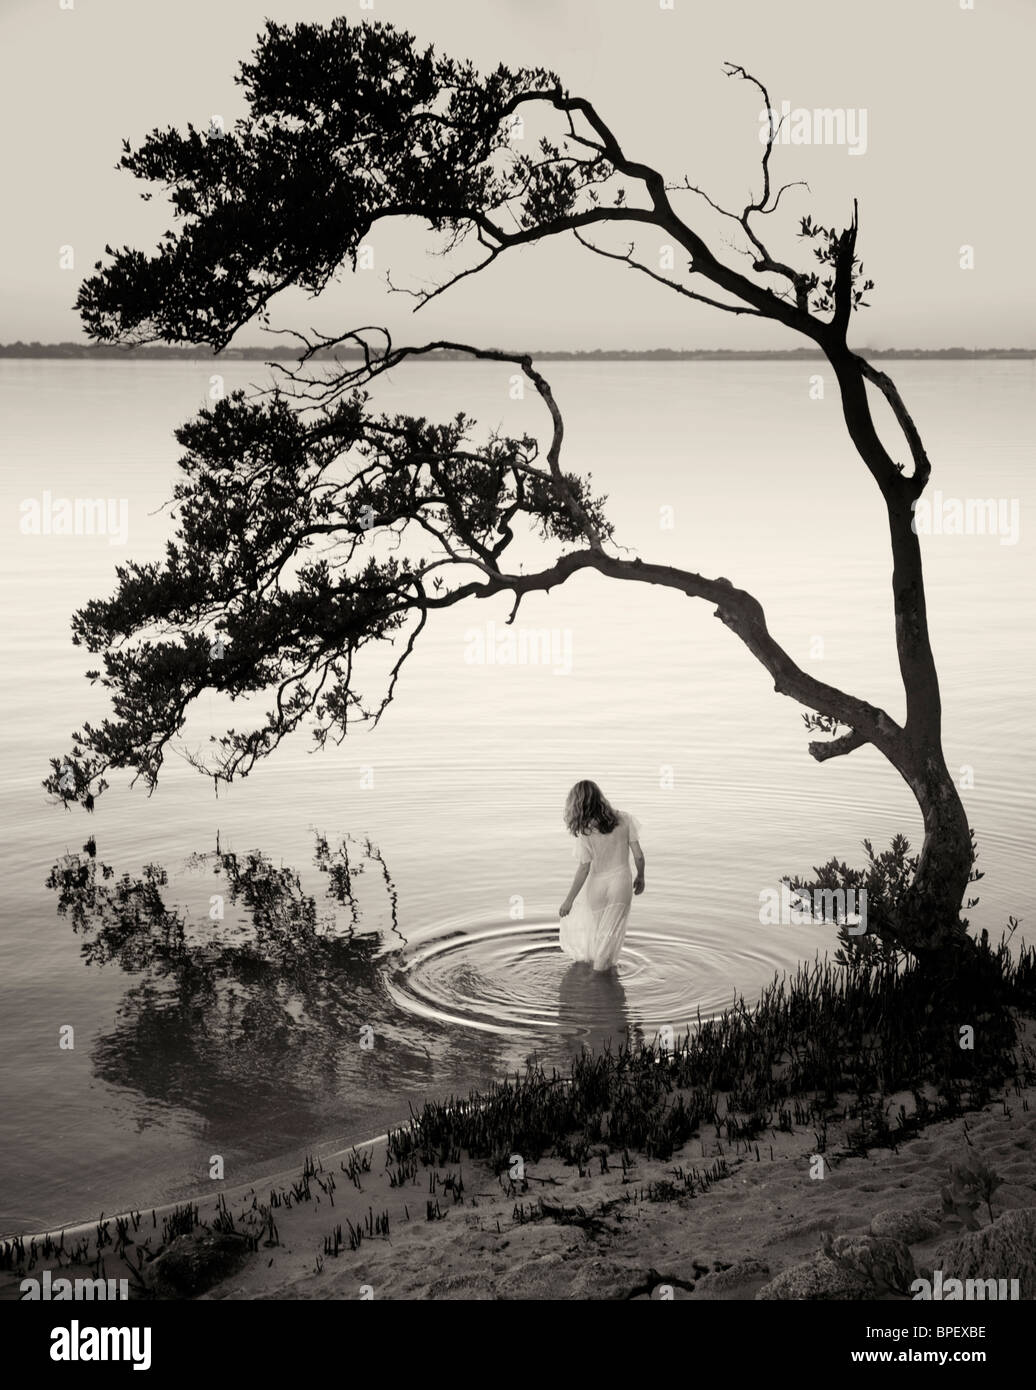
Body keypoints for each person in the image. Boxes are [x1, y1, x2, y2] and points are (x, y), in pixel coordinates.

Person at [558, 780, 644, 971]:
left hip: (596, 888)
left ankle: (594, 983)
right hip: (620, 884)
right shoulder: (625, 819)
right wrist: (641, 877)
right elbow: (638, 855)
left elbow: (583, 869)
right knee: (608, 939)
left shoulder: (585, 832)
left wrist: (568, 901)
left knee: (599, 939)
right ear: (600, 797)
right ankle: (597, 982)